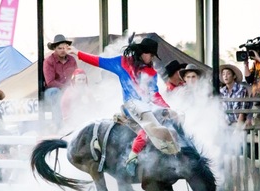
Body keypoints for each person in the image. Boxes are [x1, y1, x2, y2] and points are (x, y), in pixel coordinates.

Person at [67, 35, 179, 176]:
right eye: (150, 55)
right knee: (149, 127)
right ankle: (131, 158)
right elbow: (99, 61)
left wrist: (167, 109)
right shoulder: (122, 63)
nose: (152, 58)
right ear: (143, 53)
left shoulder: (151, 73)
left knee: (165, 122)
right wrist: (78, 53)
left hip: (144, 108)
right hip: (130, 107)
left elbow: (154, 95)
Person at [43, 34, 78, 131]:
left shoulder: (72, 60)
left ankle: (77, 124)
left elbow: (76, 76)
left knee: (81, 94)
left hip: (69, 89)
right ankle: (60, 126)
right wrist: (66, 89)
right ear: (54, 48)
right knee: (56, 94)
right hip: (53, 90)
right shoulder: (49, 61)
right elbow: (50, 82)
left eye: (64, 48)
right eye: (60, 48)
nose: (63, 50)